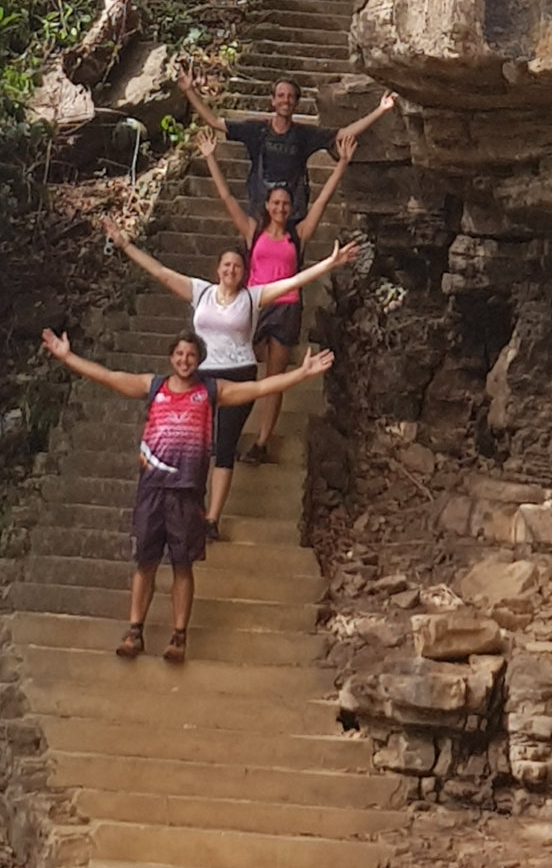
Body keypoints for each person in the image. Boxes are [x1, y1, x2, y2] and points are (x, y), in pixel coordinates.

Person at [39, 324, 332, 663]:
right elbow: (108, 376)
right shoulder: (153, 386)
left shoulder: (211, 390)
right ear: (171, 358)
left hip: (187, 493)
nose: (184, 360)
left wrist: (301, 374)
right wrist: (68, 357)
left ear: (199, 360)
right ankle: (134, 631)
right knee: (145, 562)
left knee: (182, 565)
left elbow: (259, 387)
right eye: (179, 354)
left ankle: (179, 636)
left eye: (191, 355)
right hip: (151, 489)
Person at [99, 213, 363, 535]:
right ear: (218, 269)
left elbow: (293, 282)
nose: (231, 270)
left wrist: (329, 264)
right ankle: (189, 506)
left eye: (237, 266)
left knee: (224, 445)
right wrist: (124, 244)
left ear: (244, 272)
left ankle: (211, 519)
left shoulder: (252, 297)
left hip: (238, 374)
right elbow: (161, 272)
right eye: (226, 265)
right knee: (196, 444)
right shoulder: (201, 292)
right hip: (201, 376)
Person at [203, 130, 366, 464]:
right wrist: (209, 157)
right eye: (275, 203)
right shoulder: (253, 231)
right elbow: (226, 198)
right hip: (253, 305)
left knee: (274, 378)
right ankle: (222, 433)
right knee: (238, 365)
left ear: (291, 208)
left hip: (286, 308)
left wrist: (342, 163)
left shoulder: (298, 233)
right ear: (266, 205)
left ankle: (262, 442)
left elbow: (322, 201)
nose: (280, 207)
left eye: (285, 204)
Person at [176, 69, 398, 227]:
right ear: (273, 101)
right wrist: (189, 91)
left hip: (293, 213)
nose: (286, 100)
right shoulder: (256, 130)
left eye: (291, 97)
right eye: (281, 96)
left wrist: (380, 110)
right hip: (260, 210)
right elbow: (214, 122)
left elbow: (343, 134)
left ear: (296, 103)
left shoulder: (304, 135)